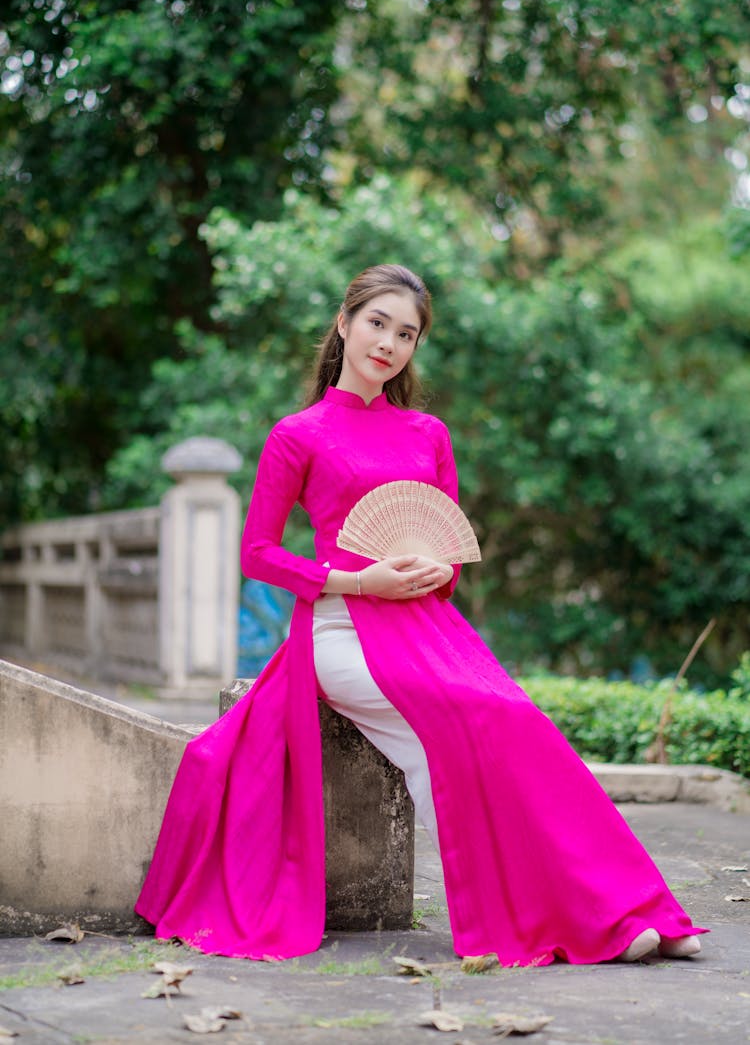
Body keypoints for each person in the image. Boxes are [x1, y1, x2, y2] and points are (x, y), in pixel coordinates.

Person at [135, 263, 706, 966]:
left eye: (406, 333)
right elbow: (256, 552)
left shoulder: (428, 432)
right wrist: (350, 576)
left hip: (424, 628)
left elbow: (444, 552)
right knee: (456, 723)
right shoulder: (298, 433)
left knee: (513, 719)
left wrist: (440, 570)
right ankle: (566, 915)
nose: (390, 343)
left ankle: (622, 903)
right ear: (344, 324)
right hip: (342, 630)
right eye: (378, 323)